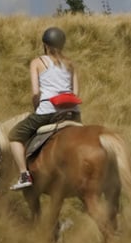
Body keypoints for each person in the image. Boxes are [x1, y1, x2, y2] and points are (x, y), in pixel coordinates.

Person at [6, 27, 81, 190]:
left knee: (14, 136)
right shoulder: (71, 64)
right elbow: (75, 92)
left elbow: (35, 92)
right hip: (73, 113)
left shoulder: (37, 62)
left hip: (49, 111)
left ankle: (24, 175)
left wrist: (36, 107)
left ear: (45, 45)